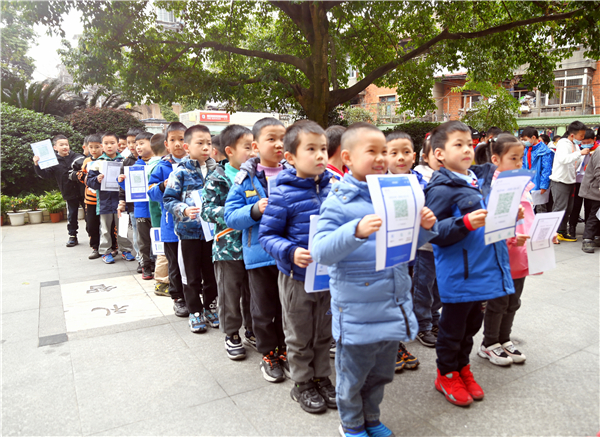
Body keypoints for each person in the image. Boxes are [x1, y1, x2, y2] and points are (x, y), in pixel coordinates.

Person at [311, 122, 438, 437]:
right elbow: (321, 251)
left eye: (385, 151)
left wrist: (424, 228)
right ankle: (351, 423)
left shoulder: (396, 194)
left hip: (392, 302)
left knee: (381, 373)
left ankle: (371, 417)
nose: (382, 158)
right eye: (372, 151)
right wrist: (354, 231)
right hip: (358, 309)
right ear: (347, 158)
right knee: (353, 375)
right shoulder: (338, 200)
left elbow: (405, 244)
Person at [424, 120, 514, 407]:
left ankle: (462, 368)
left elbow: (487, 219)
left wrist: (509, 219)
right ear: (439, 153)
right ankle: (446, 374)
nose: (467, 149)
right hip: (459, 274)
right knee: (452, 329)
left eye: (469, 143)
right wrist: (463, 223)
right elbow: (433, 232)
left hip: (482, 268)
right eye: (458, 144)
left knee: (472, 325)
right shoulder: (441, 187)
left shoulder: (475, 180)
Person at [259, 120, 335, 414]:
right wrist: (291, 251)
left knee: (324, 332)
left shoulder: (333, 189)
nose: (320, 155)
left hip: (327, 277)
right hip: (296, 278)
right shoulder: (282, 193)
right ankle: (302, 383)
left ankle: (321, 376)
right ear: (290, 157)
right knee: (299, 334)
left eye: (323, 149)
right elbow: (267, 236)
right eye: (311, 149)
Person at [224, 117, 290, 383]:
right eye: (271, 139)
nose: (278, 144)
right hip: (259, 257)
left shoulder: (294, 174)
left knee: (287, 307)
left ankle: (285, 349)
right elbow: (230, 217)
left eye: (282, 138)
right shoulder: (245, 179)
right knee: (263, 310)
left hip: (288, 254)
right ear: (256, 146)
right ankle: (269, 354)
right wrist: (254, 210)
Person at [201, 124, 256, 360]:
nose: (252, 152)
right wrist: (236, 213)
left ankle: (252, 330)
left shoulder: (256, 175)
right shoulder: (217, 177)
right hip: (228, 247)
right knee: (229, 293)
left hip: (254, 245)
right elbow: (207, 211)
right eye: (247, 147)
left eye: (254, 147)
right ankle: (232, 333)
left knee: (254, 292)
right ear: (229, 151)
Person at [479, 134, 533, 366]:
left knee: (513, 301)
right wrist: (511, 238)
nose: (519, 163)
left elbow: (528, 217)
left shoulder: (523, 185)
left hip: (521, 253)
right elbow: (493, 223)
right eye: (513, 158)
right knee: (498, 302)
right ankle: (489, 343)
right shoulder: (495, 187)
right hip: (503, 254)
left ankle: (504, 339)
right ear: (496, 159)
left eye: (521, 158)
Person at [163, 124, 219, 333]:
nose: (206, 147)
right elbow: (168, 199)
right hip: (189, 233)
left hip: (212, 233)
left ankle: (211, 307)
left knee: (211, 274)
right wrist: (184, 209)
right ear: (187, 147)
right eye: (200, 143)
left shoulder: (217, 170)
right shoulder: (180, 172)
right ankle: (195, 311)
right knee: (191, 275)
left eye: (209, 143)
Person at [384, 131, 422, 369]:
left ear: (414, 156)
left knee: (403, 298)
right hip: (386, 255)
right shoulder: (377, 183)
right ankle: (389, 346)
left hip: (410, 253)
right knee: (387, 300)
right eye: (394, 153)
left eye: (406, 152)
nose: (400, 157)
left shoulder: (421, 183)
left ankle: (397, 342)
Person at [147, 122, 189, 317]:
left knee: (193, 262)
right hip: (170, 225)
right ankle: (178, 298)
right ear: (166, 144)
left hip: (193, 224)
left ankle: (196, 296)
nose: (178, 144)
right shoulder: (162, 167)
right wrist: (163, 186)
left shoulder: (196, 164)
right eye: (173, 140)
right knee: (174, 264)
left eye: (182, 139)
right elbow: (151, 193)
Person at [86, 132, 135, 263]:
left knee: (122, 227)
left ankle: (125, 250)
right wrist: (97, 179)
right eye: (106, 143)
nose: (109, 146)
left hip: (121, 201)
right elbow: (89, 181)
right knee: (105, 229)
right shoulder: (97, 163)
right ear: (102, 146)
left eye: (112, 143)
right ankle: (105, 251)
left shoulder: (124, 161)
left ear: (118, 145)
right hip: (104, 202)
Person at [118, 131, 160, 279]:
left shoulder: (159, 164)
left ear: (153, 144)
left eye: (142, 143)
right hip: (141, 210)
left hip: (157, 210)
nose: (138, 147)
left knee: (158, 239)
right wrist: (122, 181)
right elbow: (130, 190)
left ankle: (159, 265)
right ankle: (145, 267)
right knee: (143, 242)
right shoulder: (135, 166)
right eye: (136, 145)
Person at [33, 134, 85, 247]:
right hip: (68, 192)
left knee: (89, 214)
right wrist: (37, 165)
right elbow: (45, 175)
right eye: (61, 145)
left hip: (83, 191)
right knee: (72, 215)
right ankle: (72, 236)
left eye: (66, 144)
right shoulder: (53, 161)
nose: (65, 147)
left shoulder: (77, 157)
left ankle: (93, 235)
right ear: (55, 147)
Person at [72, 134, 115, 259]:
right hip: (91, 200)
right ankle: (95, 247)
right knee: (92, 225)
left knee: (109, 226)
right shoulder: (86, 161)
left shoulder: (108, 160)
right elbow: (82, 176)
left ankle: (112, 247)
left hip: (105, 200)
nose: (94, 150)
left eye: (97, 147)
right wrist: (84, 177)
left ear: (102, 147)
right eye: (91, 147)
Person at [550, 120, 589, 242]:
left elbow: (576, 161)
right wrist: (579, 153)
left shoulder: (575, 145)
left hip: (570, 181)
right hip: (560, 180)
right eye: (581, 136)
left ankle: (562, 232)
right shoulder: (563, 144)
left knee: (568, 209)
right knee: (559, 208)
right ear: (572, 135)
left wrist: (585, 155)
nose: (582, 138)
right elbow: (563, 159)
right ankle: (552, 234)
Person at [148, 133, 170, 296]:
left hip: (159, 215)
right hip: (161, 215)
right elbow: (153, 193)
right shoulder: (160, 166)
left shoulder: (151, 164)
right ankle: (161, 282)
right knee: (164, 251)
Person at [568, 129, 597, 237]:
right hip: (577, 181)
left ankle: (588, 230)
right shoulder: (577, 150)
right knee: (575, 206)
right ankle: (572, 227)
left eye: (588, 142)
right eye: (583, 142)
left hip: (590, 183)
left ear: (594, 139)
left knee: (589, 207)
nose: (585, 144)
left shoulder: (597, 150)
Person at [520, 126, 553, 213]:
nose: (524, 142)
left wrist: (544, 185)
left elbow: (546, 169)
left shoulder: (545, 151)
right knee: (528, 208)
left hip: (538, 184)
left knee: (540, 208)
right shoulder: (526, 149)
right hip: (527, 183)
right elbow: (523, 165)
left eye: (525, 139)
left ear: (533, 137)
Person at [125, 128, 144, 272]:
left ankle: (151, 258)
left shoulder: (152, 160)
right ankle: (141, 259)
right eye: (130, 142)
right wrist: (122, 201)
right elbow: (123, 186)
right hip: (133, 204)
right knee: (137, 233)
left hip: (149, 205)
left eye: (137, 143)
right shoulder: (127, 161)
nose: (133, 146)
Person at [579, 129, 600, 253]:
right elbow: (599, 171)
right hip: (594, 190)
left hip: (596, 189)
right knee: (594, 215)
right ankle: (587, 239)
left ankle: (596, 237)